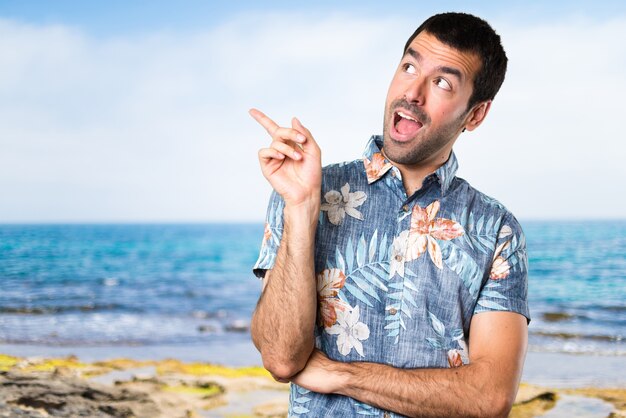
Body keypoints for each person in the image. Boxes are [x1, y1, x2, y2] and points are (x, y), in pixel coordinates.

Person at [249, 12, 529, 418]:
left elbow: (489, 397)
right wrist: (301, 207)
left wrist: (341, 376)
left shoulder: (497, 230)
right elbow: (280, 358)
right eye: (409, 67)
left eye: (442, 83)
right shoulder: (307, 190)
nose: (413, 92)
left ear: (475, 115)